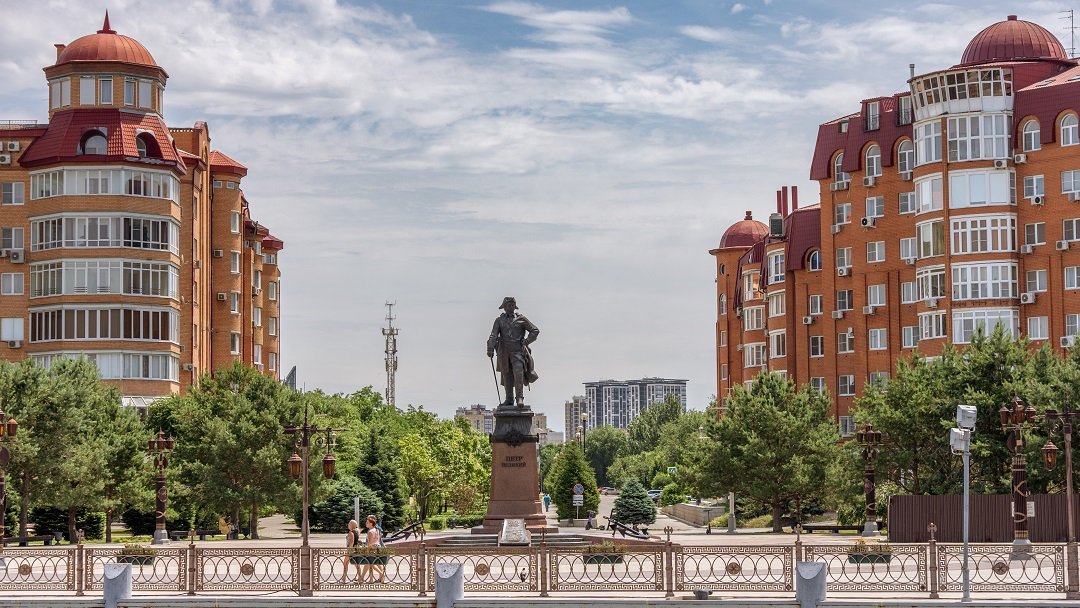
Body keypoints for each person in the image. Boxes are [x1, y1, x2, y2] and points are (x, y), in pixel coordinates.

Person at [486, 297, 540, 408]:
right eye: (508, 305)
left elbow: (535, 330)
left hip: (518, 352)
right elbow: (493, 335)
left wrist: (526, 341)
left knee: (518, 373)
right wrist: (490, 348)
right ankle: (509, 399)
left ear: (515, 306)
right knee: (507, 375)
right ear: (504, 307)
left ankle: (519, 398)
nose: (510, 307)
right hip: (504, 352)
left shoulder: (521, 319)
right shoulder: (499, 321)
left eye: (512, 305)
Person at [360, 515, 385, 583]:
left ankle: (381, 574)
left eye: (367, 522)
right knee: (370, 563)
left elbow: (371, 543)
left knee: (370, 563)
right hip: (378, 548)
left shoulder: (370, 531)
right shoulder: (376, 530)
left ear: (371, 523)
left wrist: (365, 548)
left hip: (373, 549)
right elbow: (377, 540)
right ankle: (368, 579)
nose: (366, 523)